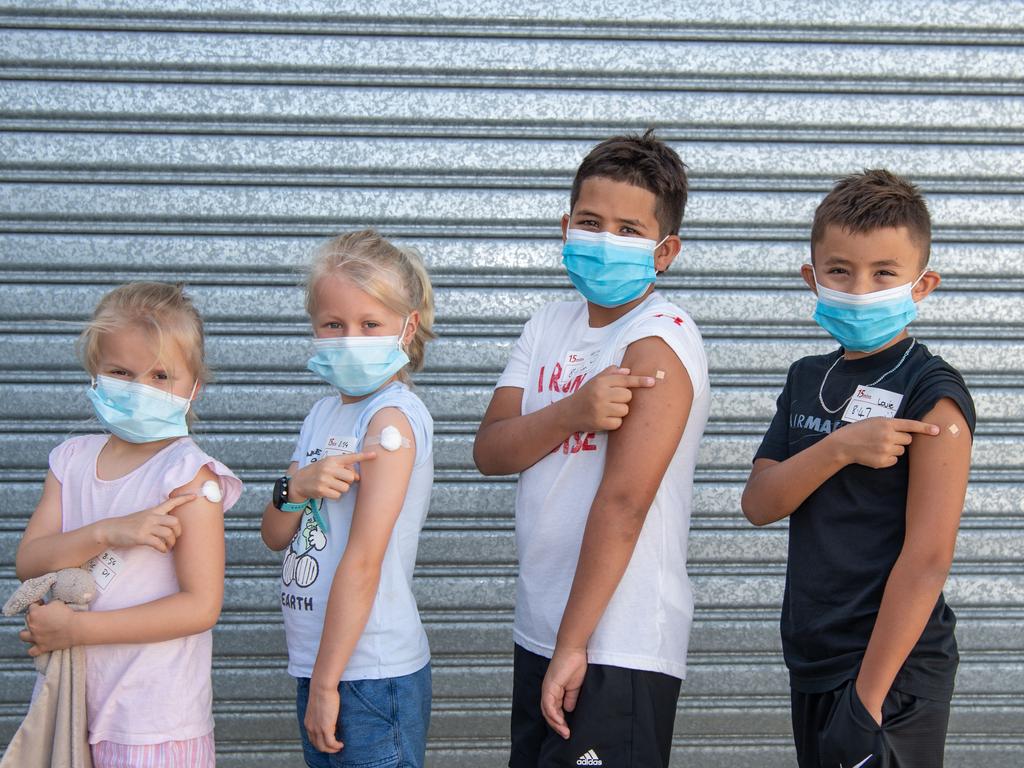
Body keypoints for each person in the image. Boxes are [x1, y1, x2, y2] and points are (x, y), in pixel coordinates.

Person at [474, 130, 710, 768]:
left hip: (615, 644)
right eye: (591, 221)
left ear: (665, 252)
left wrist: (574, 644)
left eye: (630, 229)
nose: (606, 240)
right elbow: (492, 450)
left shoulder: (659, 340)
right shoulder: (547, 324)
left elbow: (625, 502)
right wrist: (574, 410)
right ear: (565, 225)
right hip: (544, 628)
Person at [741, 169, 975, 768]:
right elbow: (760, 503)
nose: (860, 288)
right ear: (811, 277)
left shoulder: (933, 393)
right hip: (813, 660)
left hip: (889, 672)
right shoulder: (805, 379)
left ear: (923, 286)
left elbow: (927, 559)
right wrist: (841, 447)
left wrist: (868, 702)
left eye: (884, 273)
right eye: (840, 270)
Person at [15, 281, 242, 767]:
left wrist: (76, 630)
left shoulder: (188, 477)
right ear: (95, 373)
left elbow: (200, 607)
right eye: (121, 372)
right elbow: (29, 560)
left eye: (162, 376)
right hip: (73, 707)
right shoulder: (71, 461)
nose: (141, 390)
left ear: (193, 387)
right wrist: (107, 531)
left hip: (153, 723)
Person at [261, 229, 436, 768]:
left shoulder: (391, 421)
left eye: (370, 324)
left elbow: (363, 561)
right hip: (322, 664)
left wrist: (326, 684)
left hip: (368, 674)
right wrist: (298, 487)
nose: (350, 338)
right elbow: (275, 535)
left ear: (407, 326)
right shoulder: (321, 414)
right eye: (333, 324)